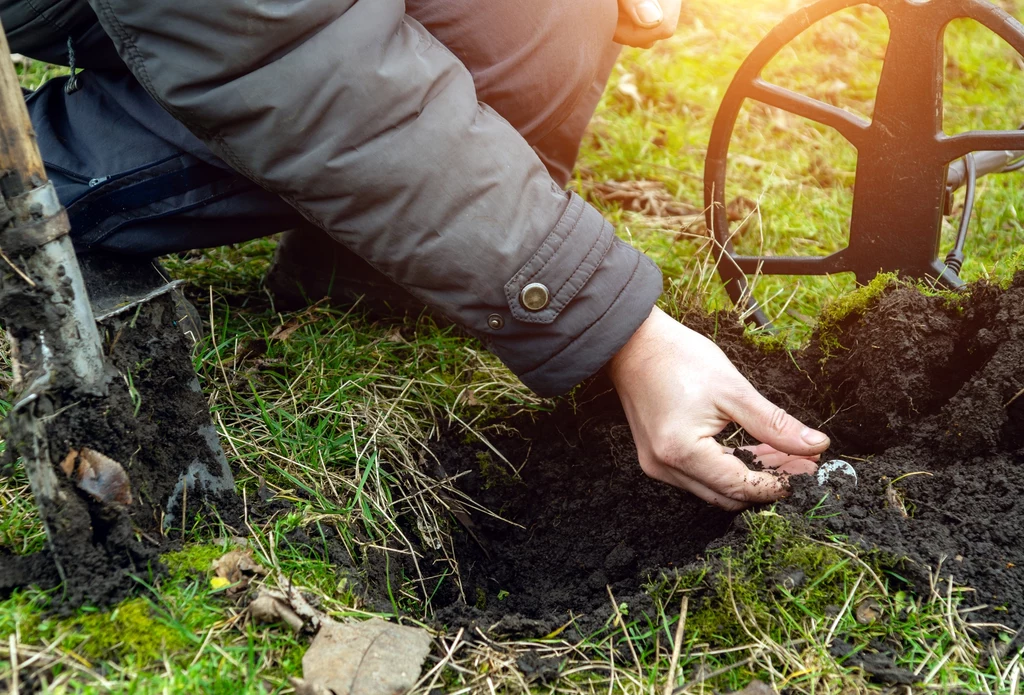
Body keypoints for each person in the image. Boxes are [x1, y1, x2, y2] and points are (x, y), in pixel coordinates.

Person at [1, 0, 829, 511]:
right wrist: (621, 329)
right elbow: (293, 62)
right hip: (217, 21)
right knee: (296, 82)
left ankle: (366, 260)